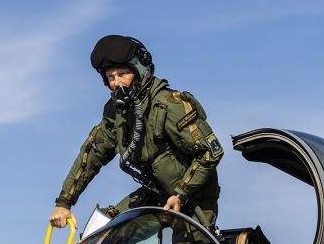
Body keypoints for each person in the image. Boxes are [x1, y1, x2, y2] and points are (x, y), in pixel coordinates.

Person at [49, 35, 224, 232]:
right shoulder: (115, 113)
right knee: (103, 231)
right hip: (155, 193)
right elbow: (91, 155)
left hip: (194, 199)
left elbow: (211, 152)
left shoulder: (169, 104)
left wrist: (180, 194)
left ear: (139, 71)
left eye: (123, 74)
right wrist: (64, 202)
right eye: (111, 77)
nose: (117, 82)